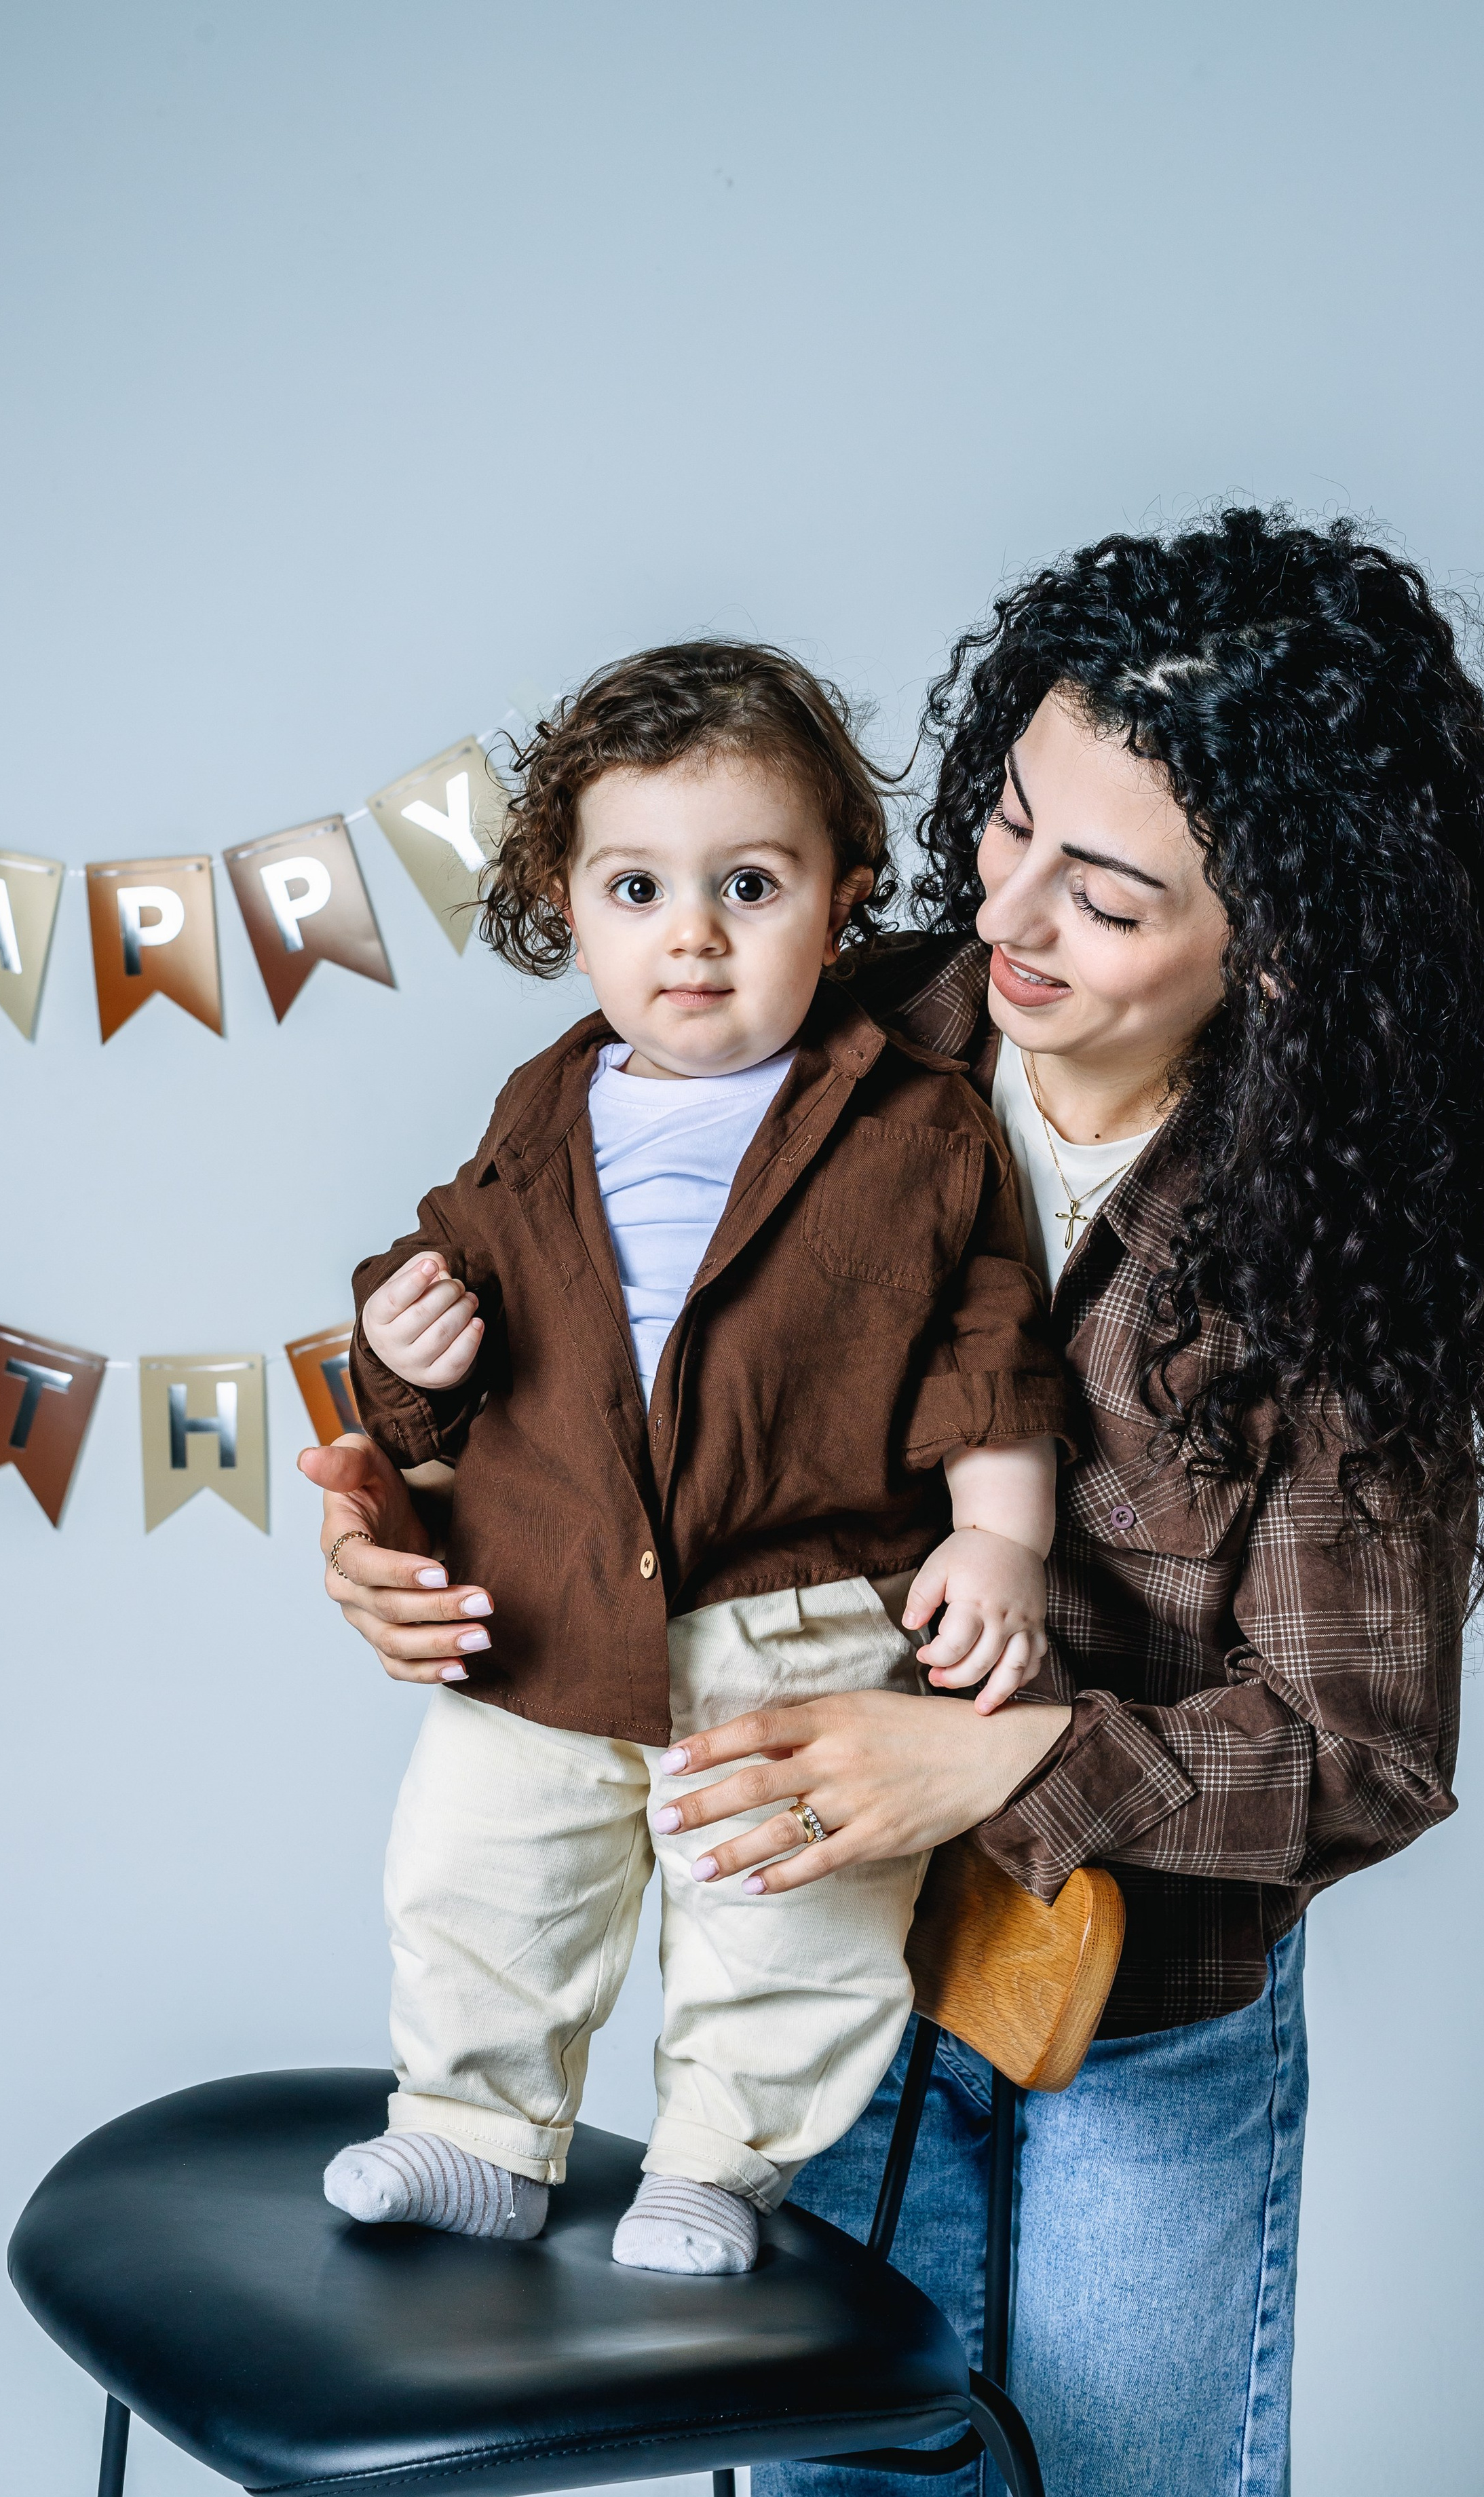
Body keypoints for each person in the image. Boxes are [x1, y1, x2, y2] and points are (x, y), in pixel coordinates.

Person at [304, 511, 1484, 2497]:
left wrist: (998, 1759)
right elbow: (553, 1329)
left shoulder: (1339, 1253)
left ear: (1277, 945)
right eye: (1005, 824)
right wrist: (403, 1504)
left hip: (1135, 2008)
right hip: (827, 1961)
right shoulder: (824, 1026)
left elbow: (1359, 1751)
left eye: (1104, 893)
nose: (1002, 912)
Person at [318, 641, 1074, 2279]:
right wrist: (400, 1341)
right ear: (566, 907)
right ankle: (471, 2133)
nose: (693, 935)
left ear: (842, 900)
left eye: (748, 885)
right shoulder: (543, 1106)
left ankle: (719, 2169)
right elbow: (444, 1303)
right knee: (478, 1879)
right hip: (541, 1598)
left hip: (795, 1614)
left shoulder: (910, 1121)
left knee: (785, 1914)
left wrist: (997, 1540)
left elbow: (987, 1346)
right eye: (636, 888)